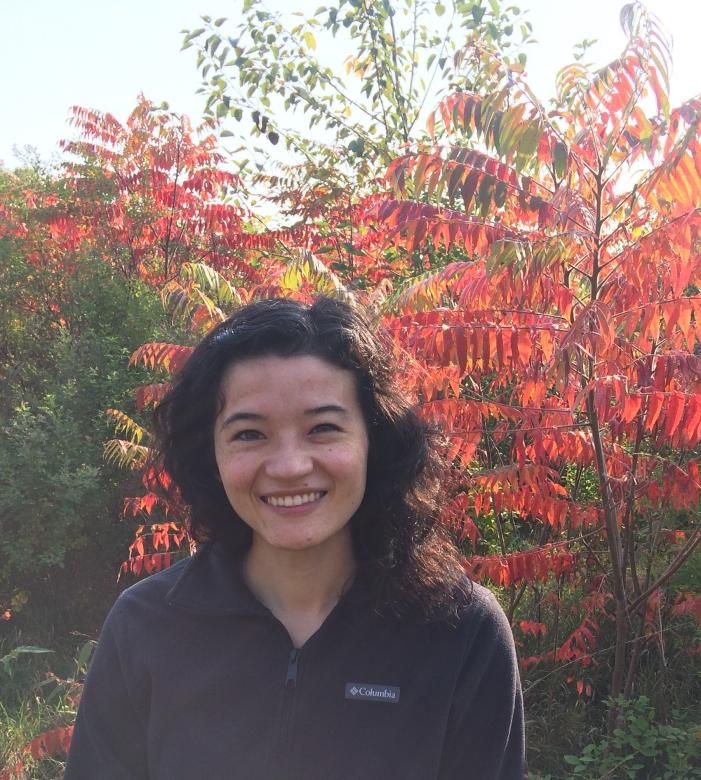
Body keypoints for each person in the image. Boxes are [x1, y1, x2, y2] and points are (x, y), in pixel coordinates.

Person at [65, 296, 525, 779]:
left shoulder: (461, 632)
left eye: (323, 428)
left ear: (375, 440)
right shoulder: (146, 626)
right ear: (211, 455)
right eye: (249, 434)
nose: (289, 467)